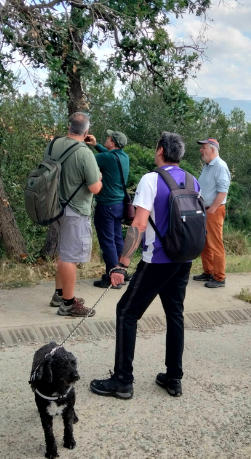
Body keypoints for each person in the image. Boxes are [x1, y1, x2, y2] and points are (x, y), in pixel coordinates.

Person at [90, 132, 199, 399]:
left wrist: (121, 264)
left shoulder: (152, 180)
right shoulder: (192, 180)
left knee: (126, 312)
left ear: (160, 150)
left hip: (157, 260)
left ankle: (122, 380)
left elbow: (138, 225)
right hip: (183, 259)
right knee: (175, 314)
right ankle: (174, 378)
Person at [48, 112, 102, 317]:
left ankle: (60, 294)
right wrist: (100, 178)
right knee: (70, 257)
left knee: (64, 252)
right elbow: (95, 187)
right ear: (86, 132)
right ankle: (68, 304)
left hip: (55, 207)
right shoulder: (85, 153)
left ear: (68, 127)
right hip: (75, 210)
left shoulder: (53, 145)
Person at [85, 130, 130, 289]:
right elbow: (109, 155)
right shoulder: (123, 157)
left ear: (113, 143)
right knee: (117, 238)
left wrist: (81, 144)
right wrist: (96, 144)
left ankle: (112, 276)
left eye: (109, 138)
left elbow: (87, 159)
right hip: (118, 205)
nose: (107, 138)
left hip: (106, 206)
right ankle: (122, 271)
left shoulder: (107, 158)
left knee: (107, 241)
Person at [193, 138, 231, 288]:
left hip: (213, 210)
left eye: (204, 148)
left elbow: (223, 191)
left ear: (213, 150)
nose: (201, 150)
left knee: (215, 243)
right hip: (205, 209)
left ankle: (220, 277)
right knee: (205, 243)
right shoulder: (208, 165)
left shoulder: (220, 166)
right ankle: (208, 272)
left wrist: (212, 209)